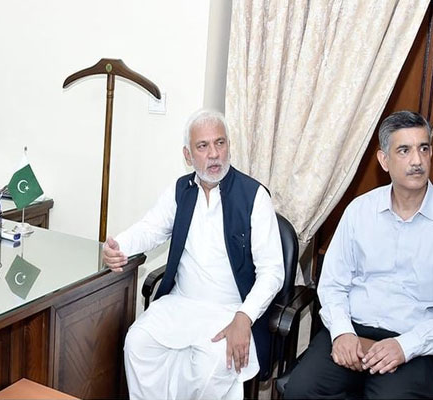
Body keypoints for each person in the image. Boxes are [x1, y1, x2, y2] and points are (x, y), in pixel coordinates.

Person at [103, 109, 284, 399]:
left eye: (220, 143)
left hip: (231, 309)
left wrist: (244, 317)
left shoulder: (254, 197)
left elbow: (273, 272)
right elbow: (150, 228)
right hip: (182, 303)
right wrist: (117, 246)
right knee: (137, 342)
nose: (214, 154)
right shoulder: (180, 190)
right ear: (188, 155)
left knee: (214, 366)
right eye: (203, 146)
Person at [284, 110, 433, 399]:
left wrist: (407, 345)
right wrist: (341, 332)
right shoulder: (359, 212)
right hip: (353, 330)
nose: (417, 160)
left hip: (413, 344)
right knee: (301, 391)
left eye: (423, 148)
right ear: (384, 160)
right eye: (404, 150)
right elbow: (333, 284)